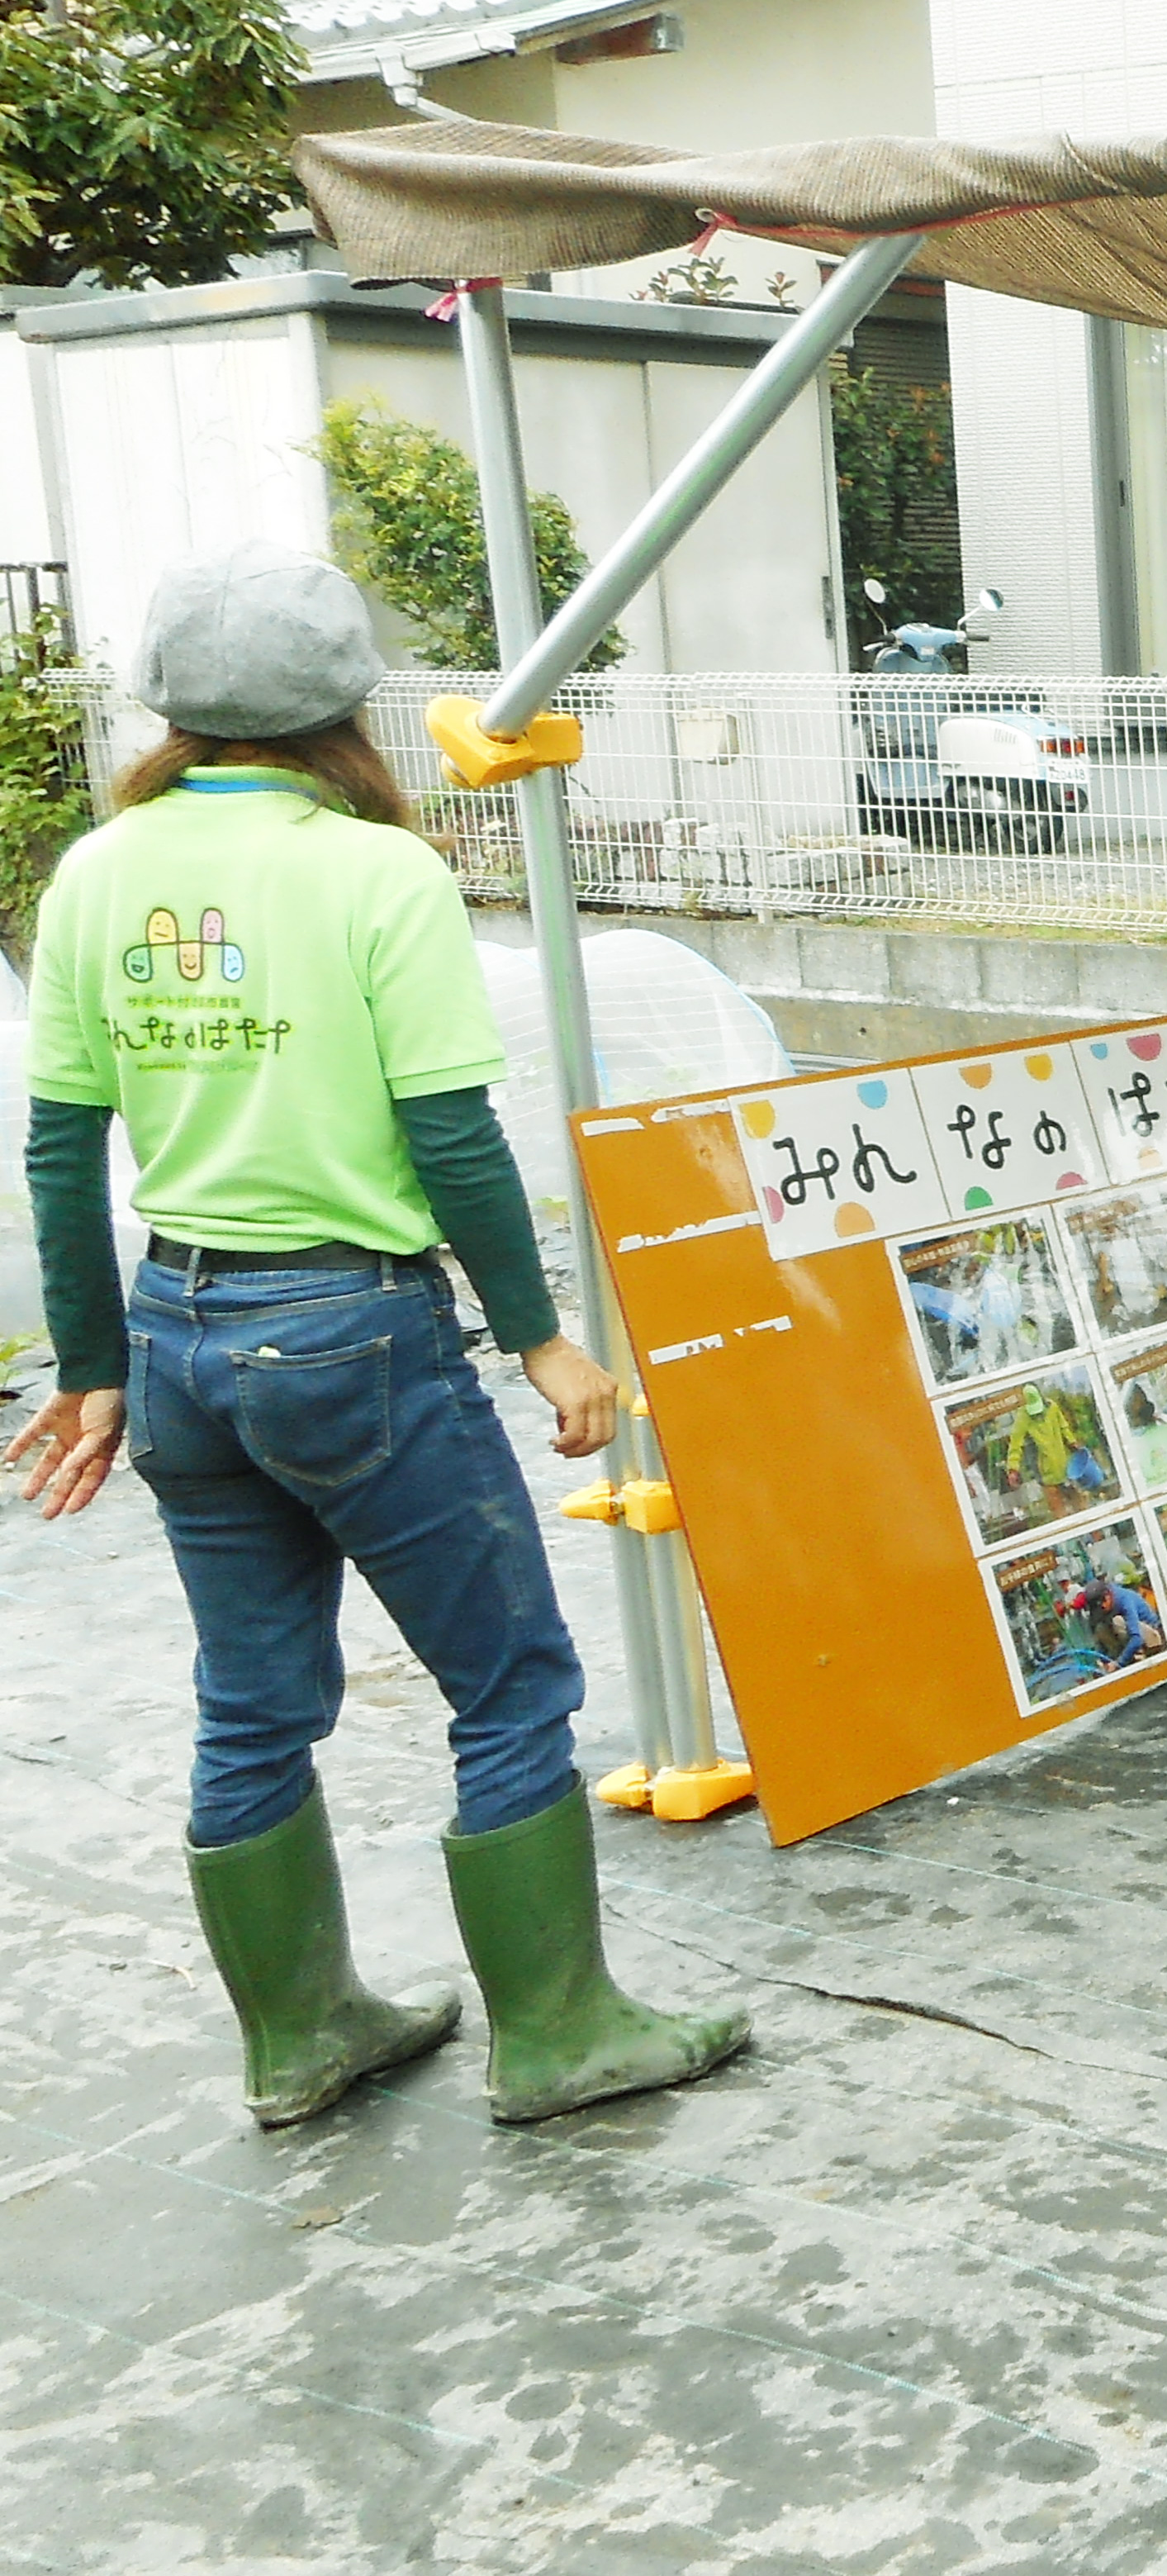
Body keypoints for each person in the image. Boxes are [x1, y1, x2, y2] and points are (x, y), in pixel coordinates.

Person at [7, 544, 748, 2131]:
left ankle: (300, 2036)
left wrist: (93, 1366)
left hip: (183, 1338)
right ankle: (556, 2031)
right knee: (509, 1680)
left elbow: (61, 1148)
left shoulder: (97, 869)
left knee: (253, 1698)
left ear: (171, 710)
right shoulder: (374, 872)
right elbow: (456, 1135)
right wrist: (545, 1339)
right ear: (351, 709)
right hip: (354, 1330)